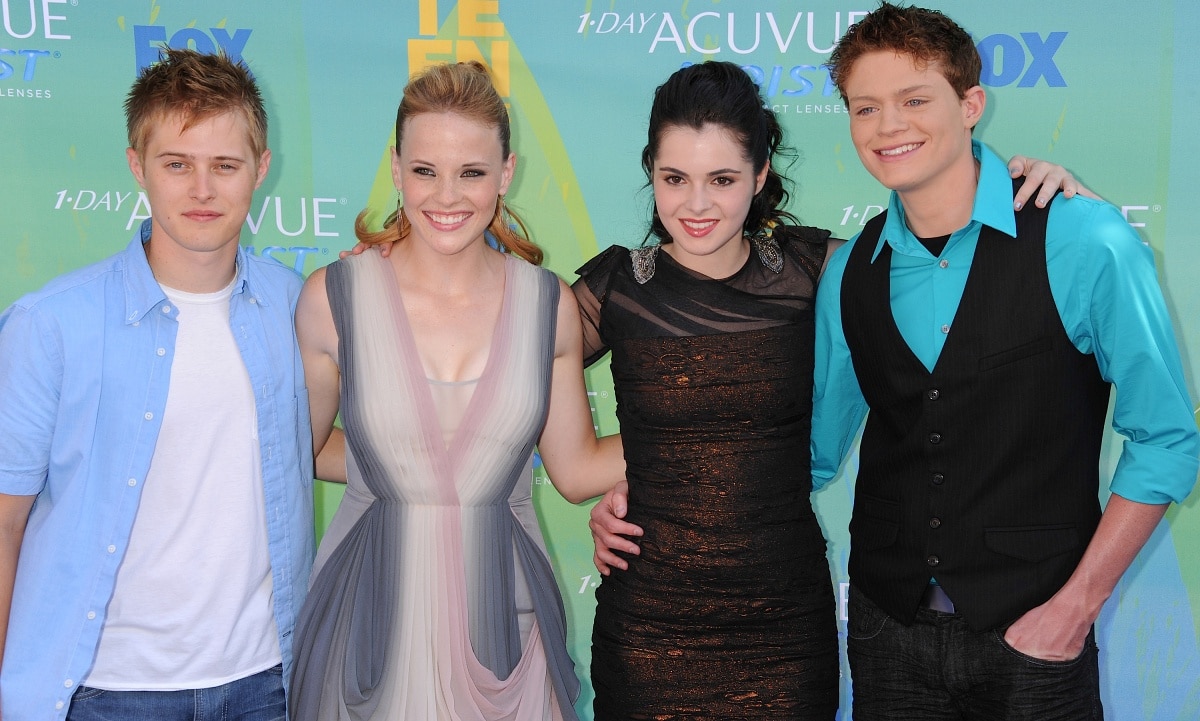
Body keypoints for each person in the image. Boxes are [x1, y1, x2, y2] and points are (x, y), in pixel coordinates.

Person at [581, 62, 1096, 718]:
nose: (697, 205)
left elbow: (945, 248)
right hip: (649, 630)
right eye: (674, 178)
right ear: (650, 169)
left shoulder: (817, 269)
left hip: (783, 630)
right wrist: (645, 473)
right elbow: (499, 347)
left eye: (723, 179)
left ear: (761, 175)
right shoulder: (619, 286)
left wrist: (1043, 193)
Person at [815, 3, 1198, 719]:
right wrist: (646, 493)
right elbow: (808, 446)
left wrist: (1075, 608)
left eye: (915, 99)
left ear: (971, 104)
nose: (889, 125)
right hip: (884, 632)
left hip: (1038, 640)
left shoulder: (1085, 237)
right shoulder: (851, 270)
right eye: (866, 107)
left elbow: (1167, 437)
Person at [288, 61, 625, 721]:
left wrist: (711, 430)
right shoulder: (331, 300)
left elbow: (578, 467)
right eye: (425, 171)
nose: (447, 196)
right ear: (395, 167)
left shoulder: (546, 305)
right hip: (363, 628)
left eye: (471, 172)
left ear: (505, 172)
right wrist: (393, 464)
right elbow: (295, 449)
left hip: (508, 627)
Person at [0, 49, 317, 720]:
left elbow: (327, 443)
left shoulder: (299, 307)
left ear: (260, 170)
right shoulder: (50, 324)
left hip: (266, 683)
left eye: (224, 165)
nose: (202, 189)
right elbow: (5, 523)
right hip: (103, 690)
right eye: (177, 164)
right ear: (137, 166)